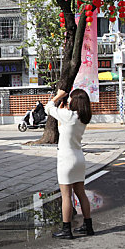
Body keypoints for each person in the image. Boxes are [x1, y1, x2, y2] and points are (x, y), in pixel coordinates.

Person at [46, 89, 94, 239]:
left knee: (66, 196)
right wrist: (63, 110)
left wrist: (59, 95)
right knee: (81, 193)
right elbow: (63, 128)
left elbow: (48, 108)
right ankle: (88, 225)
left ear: (75, 101)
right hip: (79, 158)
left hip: (66, 160)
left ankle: (66, 229)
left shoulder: (69, 116)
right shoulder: (81, 117)